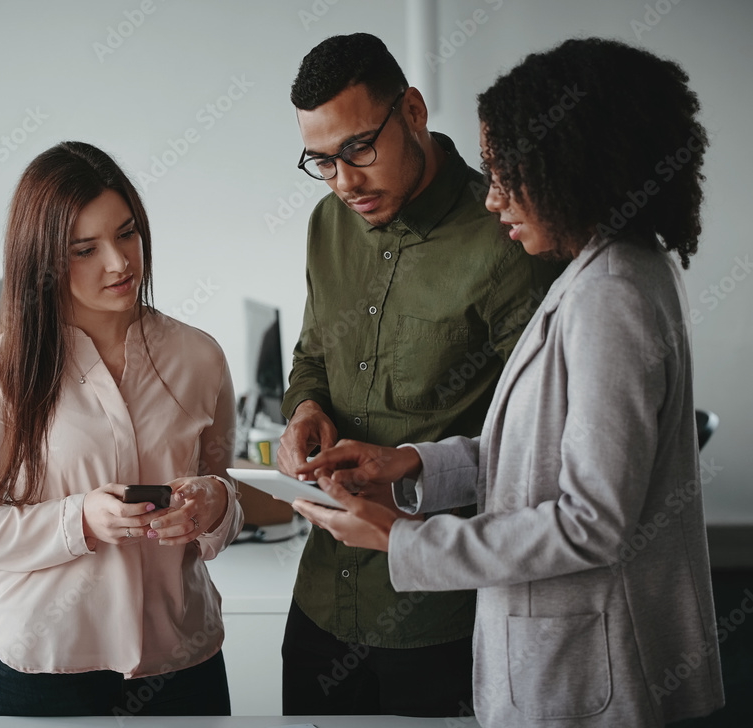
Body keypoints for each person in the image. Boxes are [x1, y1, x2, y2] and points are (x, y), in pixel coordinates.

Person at [293, 37, 725, 727]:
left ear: (576, 162)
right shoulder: (608, 273)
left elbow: (591, 523)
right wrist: (410, 464)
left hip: (589, 670)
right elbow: (533, 452)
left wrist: (403, 540)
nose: (492, 198)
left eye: (507, 172)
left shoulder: (613, 293)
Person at [275, 33, 563, 717]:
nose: (345, 182)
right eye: (321, 161)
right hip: (321, 601)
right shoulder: (327, 225)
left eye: (358, 149)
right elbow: (312, 352)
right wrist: (306, 407)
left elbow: (541, 449)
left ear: (412, 110)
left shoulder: (508, 238)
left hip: (439, 619)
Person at [0, 141, 243, 717]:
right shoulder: (3, 369)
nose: (120, 262)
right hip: (48, 666)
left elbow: (226, 494)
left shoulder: (200, 356)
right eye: (86, 248)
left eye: (127, 233)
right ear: (44, 258)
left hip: (183, 661)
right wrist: (80, 519)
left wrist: (214, 503)